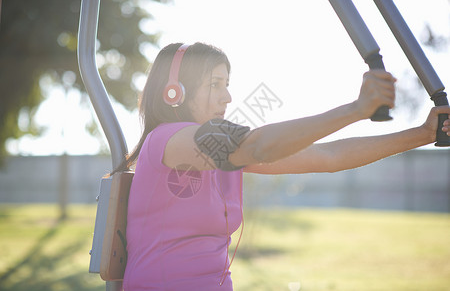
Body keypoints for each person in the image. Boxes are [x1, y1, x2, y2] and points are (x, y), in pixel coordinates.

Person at [118, 42, 450, 290]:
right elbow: (260, 144)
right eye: (215, 84)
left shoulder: (225, 155)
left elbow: (328, 158)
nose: (228, 97)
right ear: (174, 92)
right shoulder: (168, 140)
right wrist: (356, 108)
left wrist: (421, 134)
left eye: (227, 84)